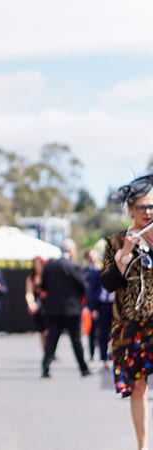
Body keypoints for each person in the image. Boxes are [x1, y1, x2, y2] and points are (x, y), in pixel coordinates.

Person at [101, 173, 153, 450]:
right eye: (143, 207)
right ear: (131, 209)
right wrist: (125, 253)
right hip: (131, 323)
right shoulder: (116, 241)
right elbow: (109, 283)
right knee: (138, 386)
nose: (148, 212)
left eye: (152, 206)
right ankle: (142, 445)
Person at [40, 239, 91, 378]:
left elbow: (43, 286)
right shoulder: (73, 267)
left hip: (53, 309)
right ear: (70, 250)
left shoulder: (49, 267)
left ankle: (45, 367)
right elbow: (83, 286)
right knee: (76, 340)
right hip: (71, 309)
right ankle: (83, 368)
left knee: (52, 340)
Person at [84, 248, 114, 369]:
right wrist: (93, 308)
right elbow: (91, 292)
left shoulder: (117, 274)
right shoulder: (97, 274)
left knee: (114, 332)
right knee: (102, 332)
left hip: (114, 305)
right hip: (102, 305)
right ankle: (103, 357)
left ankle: (112, 356)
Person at [25, 256, 47, 350]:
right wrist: (31, 304)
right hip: (37, 307)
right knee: (42, 330)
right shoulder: (31, 277)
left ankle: (50, 350)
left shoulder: (46, 276)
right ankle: (45, 351)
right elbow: (29, 293)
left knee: (49, 330)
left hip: (47, 305)